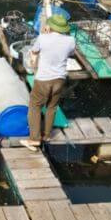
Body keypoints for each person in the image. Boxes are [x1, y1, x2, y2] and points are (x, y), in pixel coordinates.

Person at [22, 14, 76, 152]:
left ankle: (34, 139)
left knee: (35, 107)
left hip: (43, 80)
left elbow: (34, 52)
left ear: (50, 26)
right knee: (52, 107)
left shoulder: (42, 38)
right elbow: (70, 53)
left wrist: (44, 35)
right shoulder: (71, 40)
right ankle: (46, 135)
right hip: (60, 80)